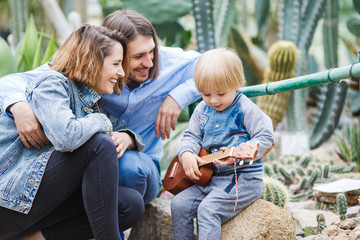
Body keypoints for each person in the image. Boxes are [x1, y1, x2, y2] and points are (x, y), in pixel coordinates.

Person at [0, 10, 202, 205]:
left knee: (125, 168)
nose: (149, 62)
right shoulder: (93, 67)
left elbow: (220, 68)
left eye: (152, 51)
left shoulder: (171, 63)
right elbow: (14, 81)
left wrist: (176, 97)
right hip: (90, 166)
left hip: (140, 165)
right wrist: (19, 106)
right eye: (138, 56)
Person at [0, 24, 144, 240]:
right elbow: (67, 137)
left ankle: (34, 238)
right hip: (8, 203)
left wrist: (128, 137)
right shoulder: (52, 84)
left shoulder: (88, 100)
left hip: (32, 205)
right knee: (99, 145)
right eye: (115, 64)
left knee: (129, 204)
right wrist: (101, 121)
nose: (121, 73)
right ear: (93, 61)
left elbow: (110, 129)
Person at [170, 48, 275, 240]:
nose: (213, 100)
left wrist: (241, 152)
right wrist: (186, 153)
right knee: (179, 205)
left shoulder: (245, 108)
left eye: (220, 93)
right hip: (209, 178)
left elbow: (265, 136)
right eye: (206, 94)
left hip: (242, 181)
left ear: (236, 83)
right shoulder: (202, 109)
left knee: (208, 210)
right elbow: (191, 136)